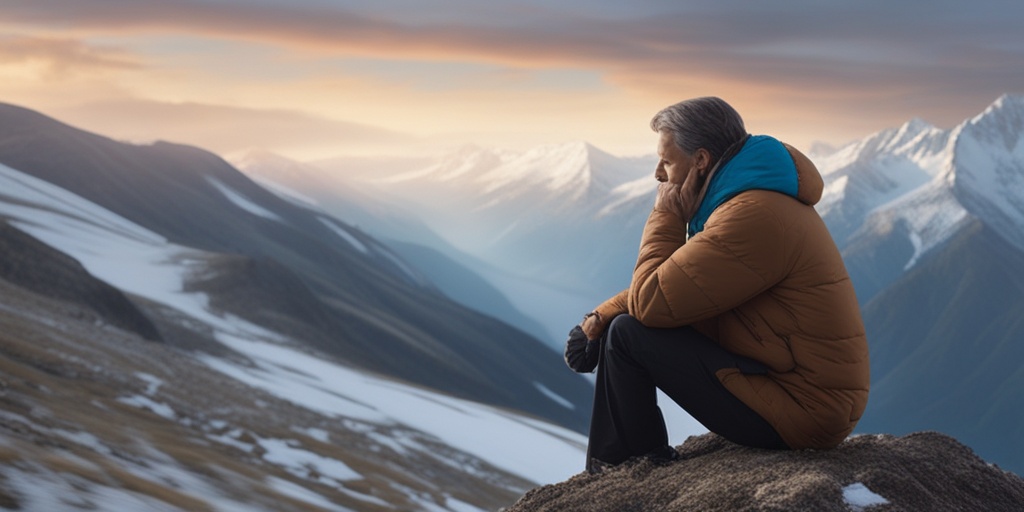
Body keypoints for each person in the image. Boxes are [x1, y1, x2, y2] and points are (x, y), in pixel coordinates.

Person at [564, 96, 869, 474]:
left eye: (667, 161)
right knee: (623, 327)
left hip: (803, 410)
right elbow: (685, 284)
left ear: (701, 161)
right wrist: (600, 317)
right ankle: (626, 460)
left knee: (629, 335)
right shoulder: (750, 203)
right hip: (792, 386)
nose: (658, 174)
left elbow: (652, 303)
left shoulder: (754, 217)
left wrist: (666, 215)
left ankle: (628, 466)